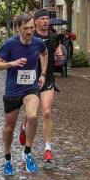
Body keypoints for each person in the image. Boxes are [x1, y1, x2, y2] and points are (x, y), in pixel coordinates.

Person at [0, 13, 47, 176]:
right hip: (13, 90)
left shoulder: (38, 43)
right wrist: (11, 63)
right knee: (9, 127)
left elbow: (44, 54)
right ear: (18, 28)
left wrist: (43, 74)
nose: (29, 31)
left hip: (31, 87)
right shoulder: (9, 44)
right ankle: (7, 158)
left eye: (31, 28)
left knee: (32, 117)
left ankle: (27, 152)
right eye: (25, 28)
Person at [29, 10, 62, 162]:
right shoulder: (30, 36)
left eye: (47, 19)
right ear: (35, 21)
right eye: (42, 19)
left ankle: (48, 149)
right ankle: (24, 127)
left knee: (47, 112)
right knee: (32, 115)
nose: (45, 21)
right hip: (31, 78)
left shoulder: (54, 37)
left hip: (48, 78)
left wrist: (59, 53)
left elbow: (58, 49)